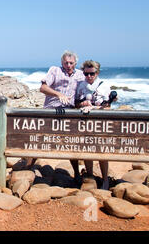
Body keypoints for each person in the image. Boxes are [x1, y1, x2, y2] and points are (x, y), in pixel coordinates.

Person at [37, 50, 85, 185]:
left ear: (75, 63)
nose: (68, 65)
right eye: (66, 63)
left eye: (71, 63)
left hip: (70, 113)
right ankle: (28, 167)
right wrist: (59, 95)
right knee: (39, 140)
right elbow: (43, 88)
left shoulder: (81, 75)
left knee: (72, 144)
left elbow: (87, 91)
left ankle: (76, 174)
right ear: (62, 62)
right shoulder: (55, 70)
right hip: (51, 111)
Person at [75, 60, 116, 190]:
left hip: (101, 123)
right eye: (86, 74)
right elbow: (76, 103)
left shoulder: (104, 86)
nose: (89, 76)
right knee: (87, 150)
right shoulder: (80, 86)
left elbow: (109, 105)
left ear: (97, 73)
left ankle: (105, 180)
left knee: (102, 151)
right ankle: (90, 177)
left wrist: (106, 103)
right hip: (86, 122)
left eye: (92, 73)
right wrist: (83, 104)